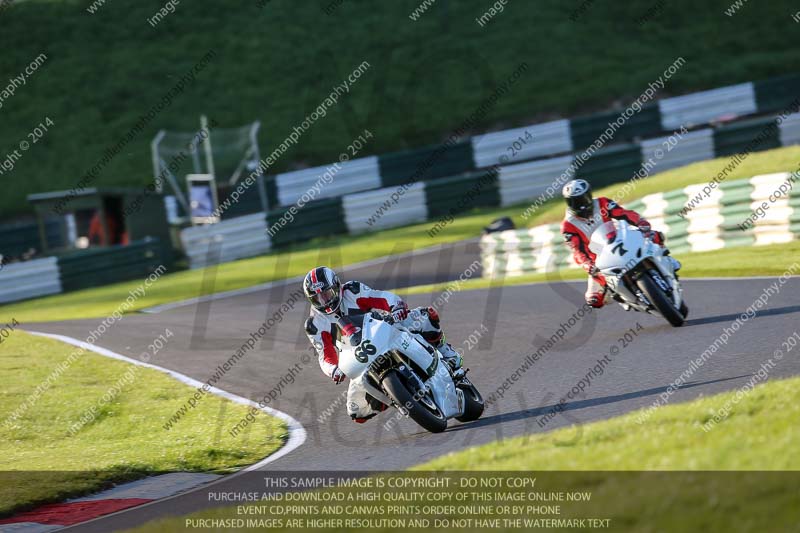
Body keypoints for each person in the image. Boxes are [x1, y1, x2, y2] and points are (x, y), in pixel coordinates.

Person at [302, 266, 463, 423]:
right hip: (357, 356)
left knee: (424, 316)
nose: (324, 301)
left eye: (327, 294)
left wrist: (396, 307)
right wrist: (333, 370)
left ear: (337, 287)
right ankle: (395, 398)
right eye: (317, 298)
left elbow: (382, 298)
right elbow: (325, 355)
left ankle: (446, 352)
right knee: (356, 411)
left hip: (382, 330)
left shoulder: (352, 290)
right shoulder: (314, 324)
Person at [560, 179, 680, 308]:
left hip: (620, 240)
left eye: (583, 199)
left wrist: (641, 223)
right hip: (599, 261)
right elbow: (577, 251)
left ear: (589, 195)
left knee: (654, 235)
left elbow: (624, 214)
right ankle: (623, 297)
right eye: (575, 202)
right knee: (594, 300)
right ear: (568, 202)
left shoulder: (602, 203)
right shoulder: (568, 225)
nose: (581, 205)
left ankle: (667, 259)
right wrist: (589, 265)